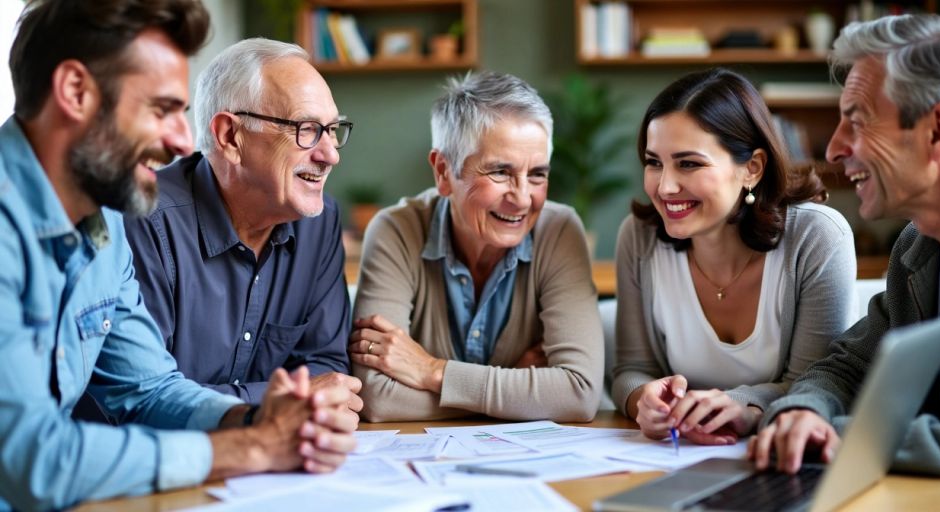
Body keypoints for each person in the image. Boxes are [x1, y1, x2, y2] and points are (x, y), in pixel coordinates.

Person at [0, 1, 358, 509]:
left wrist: (259, 420)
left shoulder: (101, 229)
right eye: (161, 110)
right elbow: (31, 461)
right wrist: (253, 446)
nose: (179, 140)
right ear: (76, 93)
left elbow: (150, 388)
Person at [749, 14, 940, 507]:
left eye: (856, 119)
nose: (833, 149)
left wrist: (847, 436)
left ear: (938, 130)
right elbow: (847, 366)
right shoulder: (917, 249)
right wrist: (804, 413)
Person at [613, 68, 857, 445]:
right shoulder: (639, 237)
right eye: (654, 162)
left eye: (689, 163)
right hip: (674, 457)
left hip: (778, 454)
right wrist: (642, 400)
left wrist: (744, 406)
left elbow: (818, 385)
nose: (664, 187)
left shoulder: (817, 237)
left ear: (752, 168)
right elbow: (632, 370)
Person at [348, 71, 603, 422]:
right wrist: (519, 391)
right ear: (443, 172)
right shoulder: (396, 231)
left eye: (537, 174)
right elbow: (377, 397)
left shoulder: (559, 231)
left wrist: (432, 371)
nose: (523, 198)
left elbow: (578, 394)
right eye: (500, 172)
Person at [122, 38, 355, 405]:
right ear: (230, 136)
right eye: (306, 129)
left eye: (332, 130)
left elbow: (327, 367)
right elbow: (143, 398)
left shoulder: (320, 221)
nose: (329, 155)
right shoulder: (146, 221)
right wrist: (276, 403)